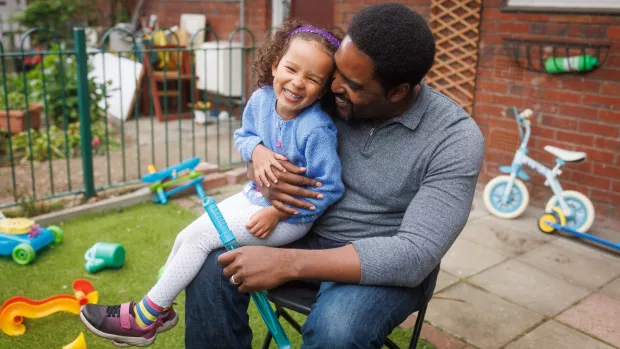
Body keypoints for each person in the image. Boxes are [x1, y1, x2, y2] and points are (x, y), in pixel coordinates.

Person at [184, 3, 485, 349]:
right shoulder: (325, 95)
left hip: (377, 262)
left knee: (337, 331)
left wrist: (288, 263)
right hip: (306, 228)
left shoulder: (454, 139)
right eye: (336, 72)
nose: (333, 85)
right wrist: (263, 173)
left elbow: (413, 255)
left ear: (397, 92)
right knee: (211, 266)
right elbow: (266, 137)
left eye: (352, 83)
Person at [78, 20, 345, 347]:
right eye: (291, 68)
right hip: (253, 195)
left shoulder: (317, 129)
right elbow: (244, 136)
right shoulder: (261, 99)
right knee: (187, 234)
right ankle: (161, 308)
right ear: (275, 65)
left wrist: (277, 212)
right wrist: (257, 152)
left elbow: (329, 187)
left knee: (199, 241)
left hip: (290, 220)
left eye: (313, 78)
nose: (298, 82)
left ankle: (144, 318)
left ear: (324, 87)